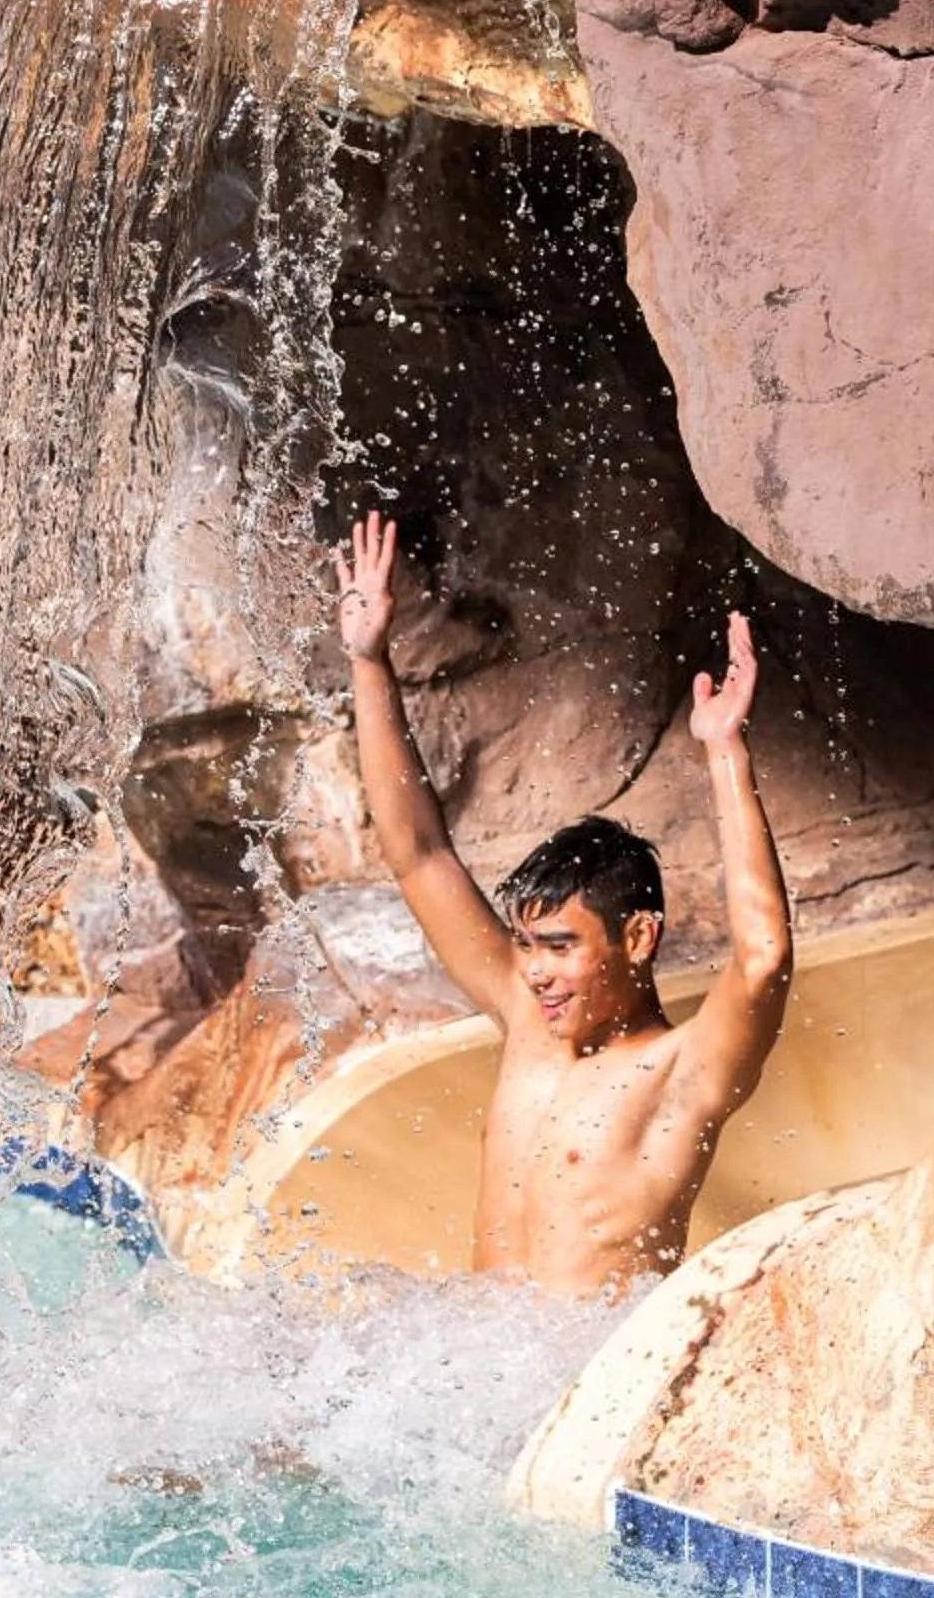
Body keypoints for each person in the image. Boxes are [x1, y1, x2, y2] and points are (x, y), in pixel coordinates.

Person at [334, 510, 792, 1299]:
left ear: (639, 937)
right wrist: (370, 661)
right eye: (527, 947)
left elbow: (763, 958)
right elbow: (419, 854)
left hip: (586, 1390)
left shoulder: (679, 1075)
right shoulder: (527, 1023)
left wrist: (724, 753)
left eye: (559, 946)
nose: (536, 973)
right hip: (480, 1362)